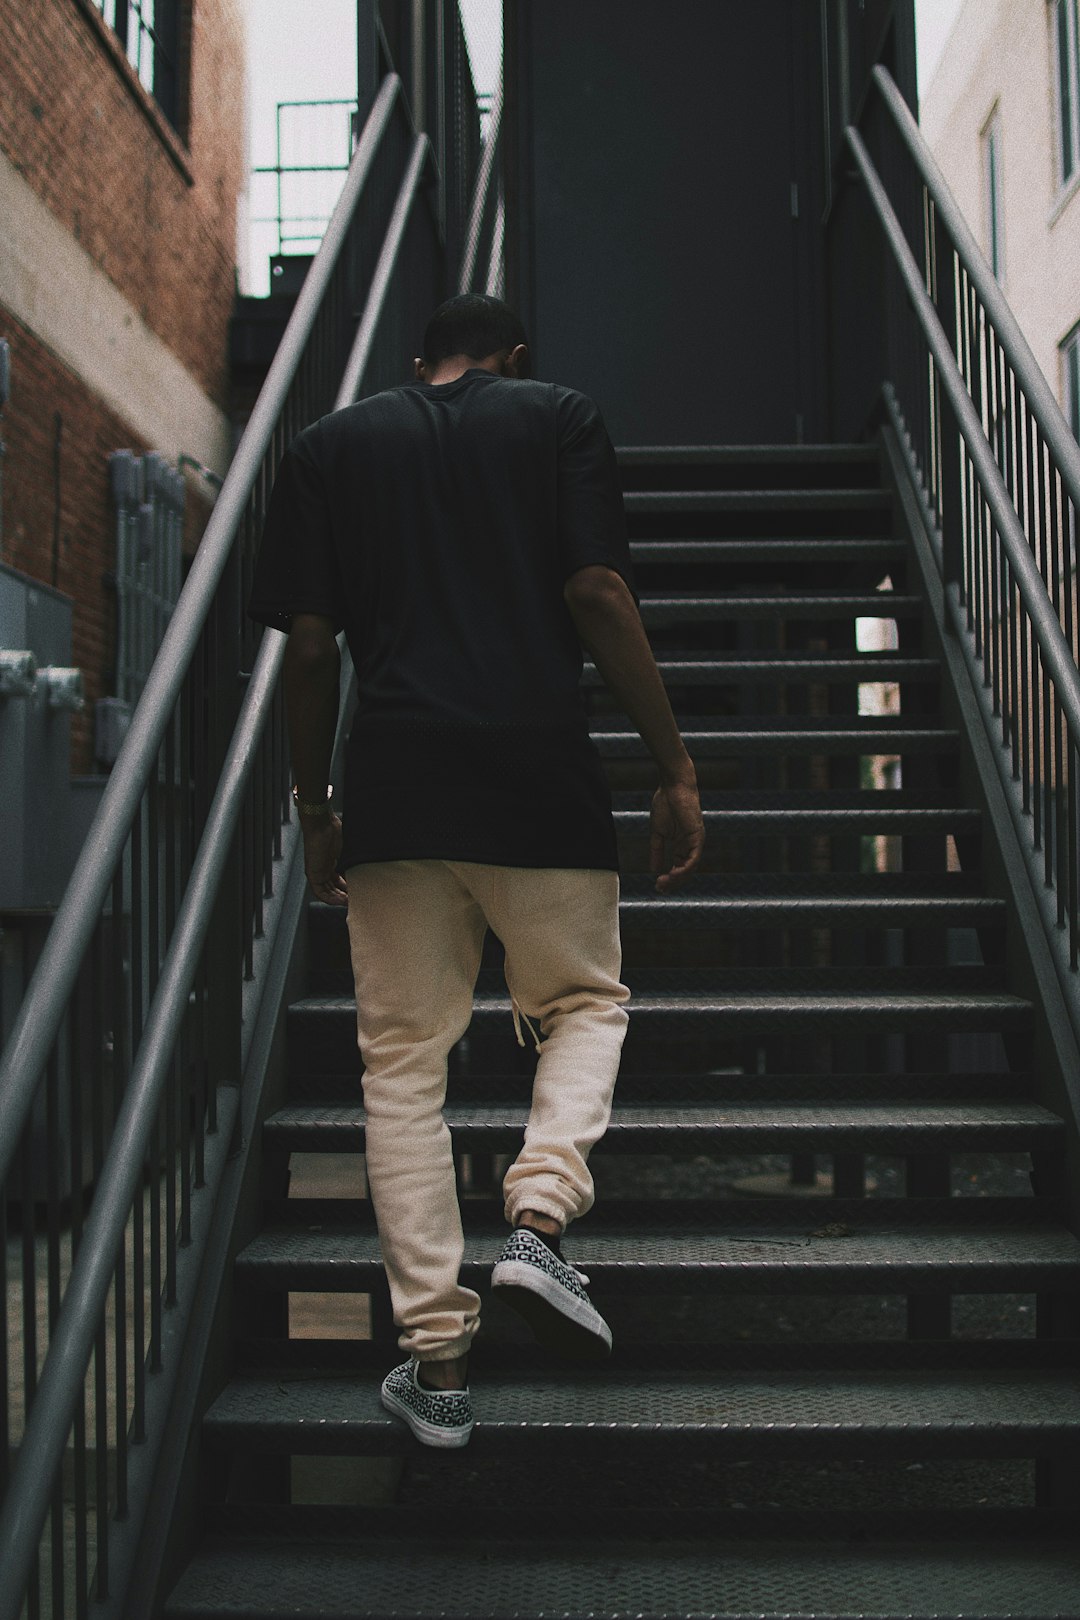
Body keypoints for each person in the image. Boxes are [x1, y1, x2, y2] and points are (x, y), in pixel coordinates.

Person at [249, 294, 703, 1449]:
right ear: (512, 356)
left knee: (402, 1067)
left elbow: (307, 649)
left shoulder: (329, 447)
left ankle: (437, 1364)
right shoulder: (558, 418)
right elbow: (597, 593)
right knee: (584, 1003)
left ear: (417, 362)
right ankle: (540, 1220)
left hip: (397, 789)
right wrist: (674, 765)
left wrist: (315, 808)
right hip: (539, 776)